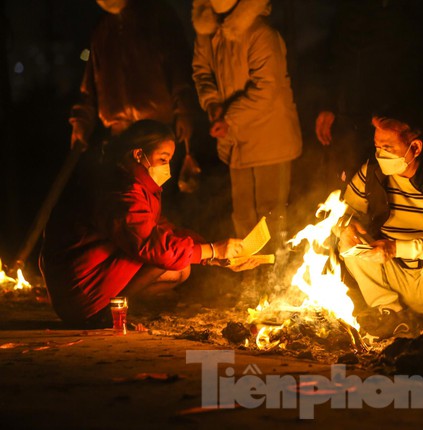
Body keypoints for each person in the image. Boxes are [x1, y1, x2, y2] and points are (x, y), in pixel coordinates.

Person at [40, 120, 258, 328]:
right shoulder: (119, 190)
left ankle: (114, 308)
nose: (168, 168)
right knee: (168, 257)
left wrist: (214, 255)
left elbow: (161, 229)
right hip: (79, 294)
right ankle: (104, 314)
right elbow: (153, 245)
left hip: (84, 284)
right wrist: (211, 251)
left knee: (180, 265)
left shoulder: (135, 183)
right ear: (138, 154)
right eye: (163, 159)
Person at [338, 113, 423, 339]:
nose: (380, 154)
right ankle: (393, 315)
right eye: (377, 146)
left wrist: (396, 247)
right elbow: (343, 212)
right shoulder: (371, 172)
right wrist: (347, 228)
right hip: (393, 275)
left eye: (388, 147)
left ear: (416, 147)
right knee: (351, 247)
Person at [191, 0, 302, 242]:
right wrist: (212, 103)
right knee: (243, 215)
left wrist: (228, 118)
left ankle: (276, 273)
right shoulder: (209, 34)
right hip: (236, 141)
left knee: (271, 213)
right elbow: (201, 72)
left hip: (271, 139)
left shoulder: (261, 34)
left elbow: (267, 88)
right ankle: (250, 274)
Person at [314, 0, 423, 187]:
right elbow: (337, 51)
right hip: (350, 110)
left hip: (390, 111)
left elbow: (420, 58)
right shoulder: (351, 9)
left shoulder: (414, 11)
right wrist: (329, 103)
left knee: (384, 180)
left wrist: (404, 116)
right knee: (347, 178)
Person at [70, 0, 198, 152]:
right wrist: (81, 122)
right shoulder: (102, 28)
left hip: (157, 131)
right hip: (118, 134)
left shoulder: (157, 16)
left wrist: (184, 111)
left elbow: (179, 69)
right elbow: (90, 84)